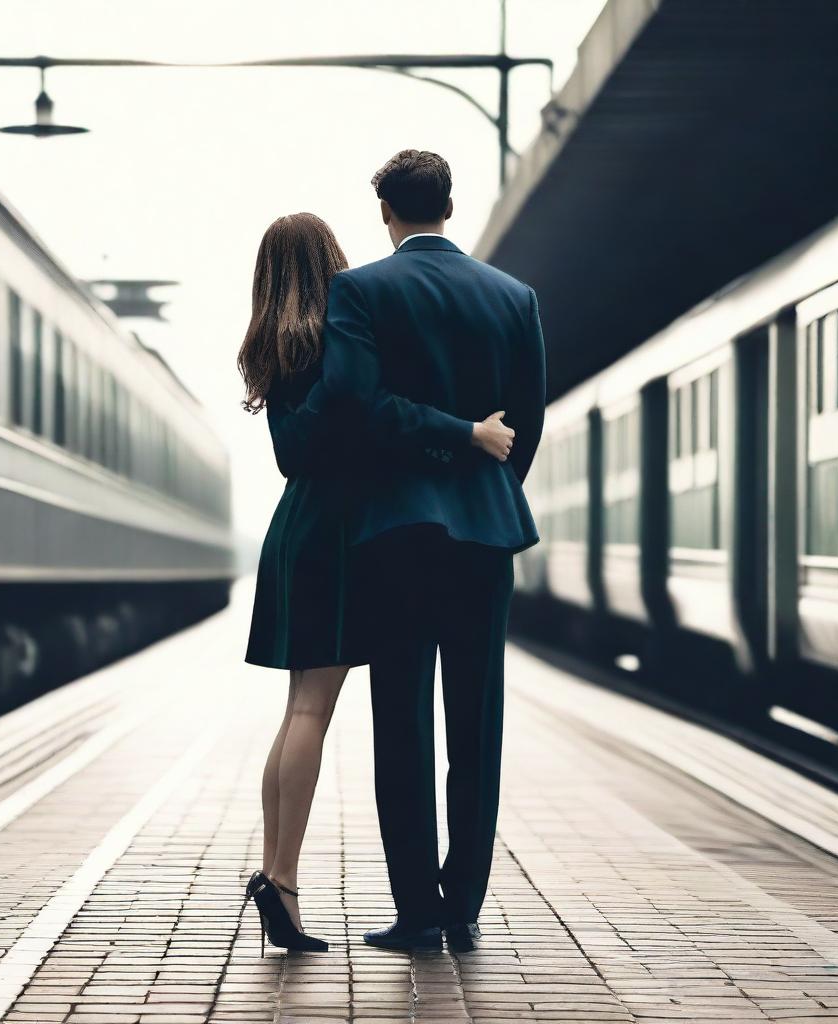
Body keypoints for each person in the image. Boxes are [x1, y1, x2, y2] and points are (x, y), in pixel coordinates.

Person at [263, 150, 546, 955]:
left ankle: (418, 908)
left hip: (395, 533)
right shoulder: (515, 297)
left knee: (404, 722)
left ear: (385, 210)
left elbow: (355, 402)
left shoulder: (362, 292)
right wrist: (482, 484)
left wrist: (418, 470)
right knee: (478, 721)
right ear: (449, 206)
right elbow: (523, 424)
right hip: (488, 531)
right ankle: (465, 904)